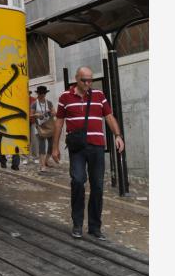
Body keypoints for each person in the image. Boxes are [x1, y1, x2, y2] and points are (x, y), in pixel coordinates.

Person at [51, 66, 125, 240]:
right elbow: (59, 122)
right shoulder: (65, 97)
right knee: (77, 181)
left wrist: (118, 135)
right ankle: (77, 224)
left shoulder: (99, 96)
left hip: (97, 147)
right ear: (77, 78)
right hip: (77, 147)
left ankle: (94, 227)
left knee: (97, 186)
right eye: (85, 80)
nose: (88, 83)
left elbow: (109, 116)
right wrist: (54, 147)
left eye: (90, 80)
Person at [30, 85, 55, 172]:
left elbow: (54, 112)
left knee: (51, 145)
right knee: (42, 146)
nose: (42, 95)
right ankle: (42, 165)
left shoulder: (49, 103)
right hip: (40, 127)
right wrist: (36, 115)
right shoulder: (34, 104)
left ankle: (46, 161)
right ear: (38, 94)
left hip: (49, 126)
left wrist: (50, 113)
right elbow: (31, 114)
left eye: (43, 94)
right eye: (40, 94)